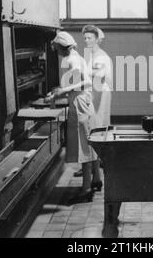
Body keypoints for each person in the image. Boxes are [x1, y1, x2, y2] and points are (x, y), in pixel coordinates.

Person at [45, 31, 101, 202]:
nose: (56, 52)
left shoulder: (72, 60)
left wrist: (62, 91)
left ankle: (85, 189)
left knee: (84, 146)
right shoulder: (76, 56)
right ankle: (97, 180)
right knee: (89, 143)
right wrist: (58, 93)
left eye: (56, 48)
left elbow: (86, 82)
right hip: (82, 102)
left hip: (80, 105)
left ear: (62, 47)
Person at [73, 25, 112, 185]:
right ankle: (93, 169)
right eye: (85, 38)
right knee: (94, 128)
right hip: (95, 91)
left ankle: (97, 164)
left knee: (97, 127)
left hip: (100, 93)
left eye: (89, 38)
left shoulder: (101, 56)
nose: (86, 40)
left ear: (97, 39)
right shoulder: (92, 55)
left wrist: (81, 71)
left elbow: (100, 74)